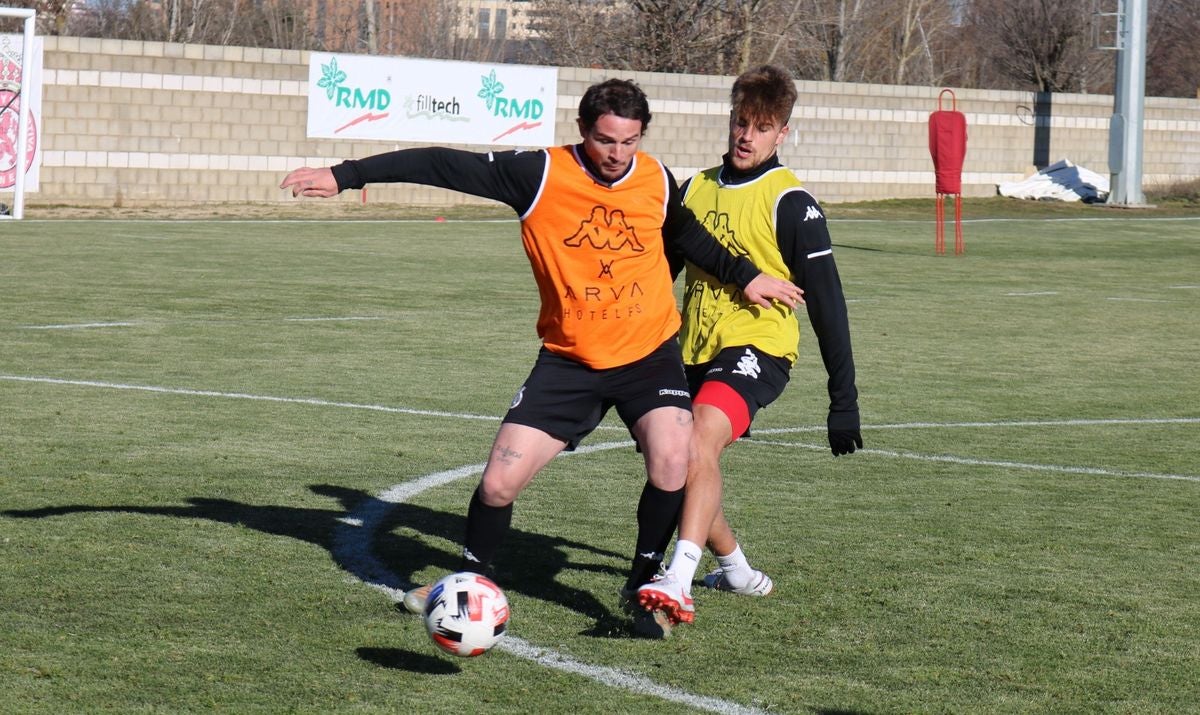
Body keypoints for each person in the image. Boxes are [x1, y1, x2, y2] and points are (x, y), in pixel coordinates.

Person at [279, 78, 803, 637]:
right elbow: (443, 164)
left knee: (673, 458)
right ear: (583, 131)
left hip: (649, 356)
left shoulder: (655, 179)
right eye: (606, 141)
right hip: (569, 362)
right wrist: (345, 175)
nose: (617, 155)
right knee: (499, 484)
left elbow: (689, 236)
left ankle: (644, 582)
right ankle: (474, 582)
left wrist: (748, 278)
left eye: (629, 142)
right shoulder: (540, 174)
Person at [636, 65, 862, 628]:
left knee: (697, 442)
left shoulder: (792, 202)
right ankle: (735, 570)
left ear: (781, 133)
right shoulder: (694, 188)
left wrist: (844, 399)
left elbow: (829, 304)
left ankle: (677, 581)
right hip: (691, 349)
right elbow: (659, 276)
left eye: (761, 127)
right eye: (741, 122)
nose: (746, 135)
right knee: (678, 460)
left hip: (759, 349)